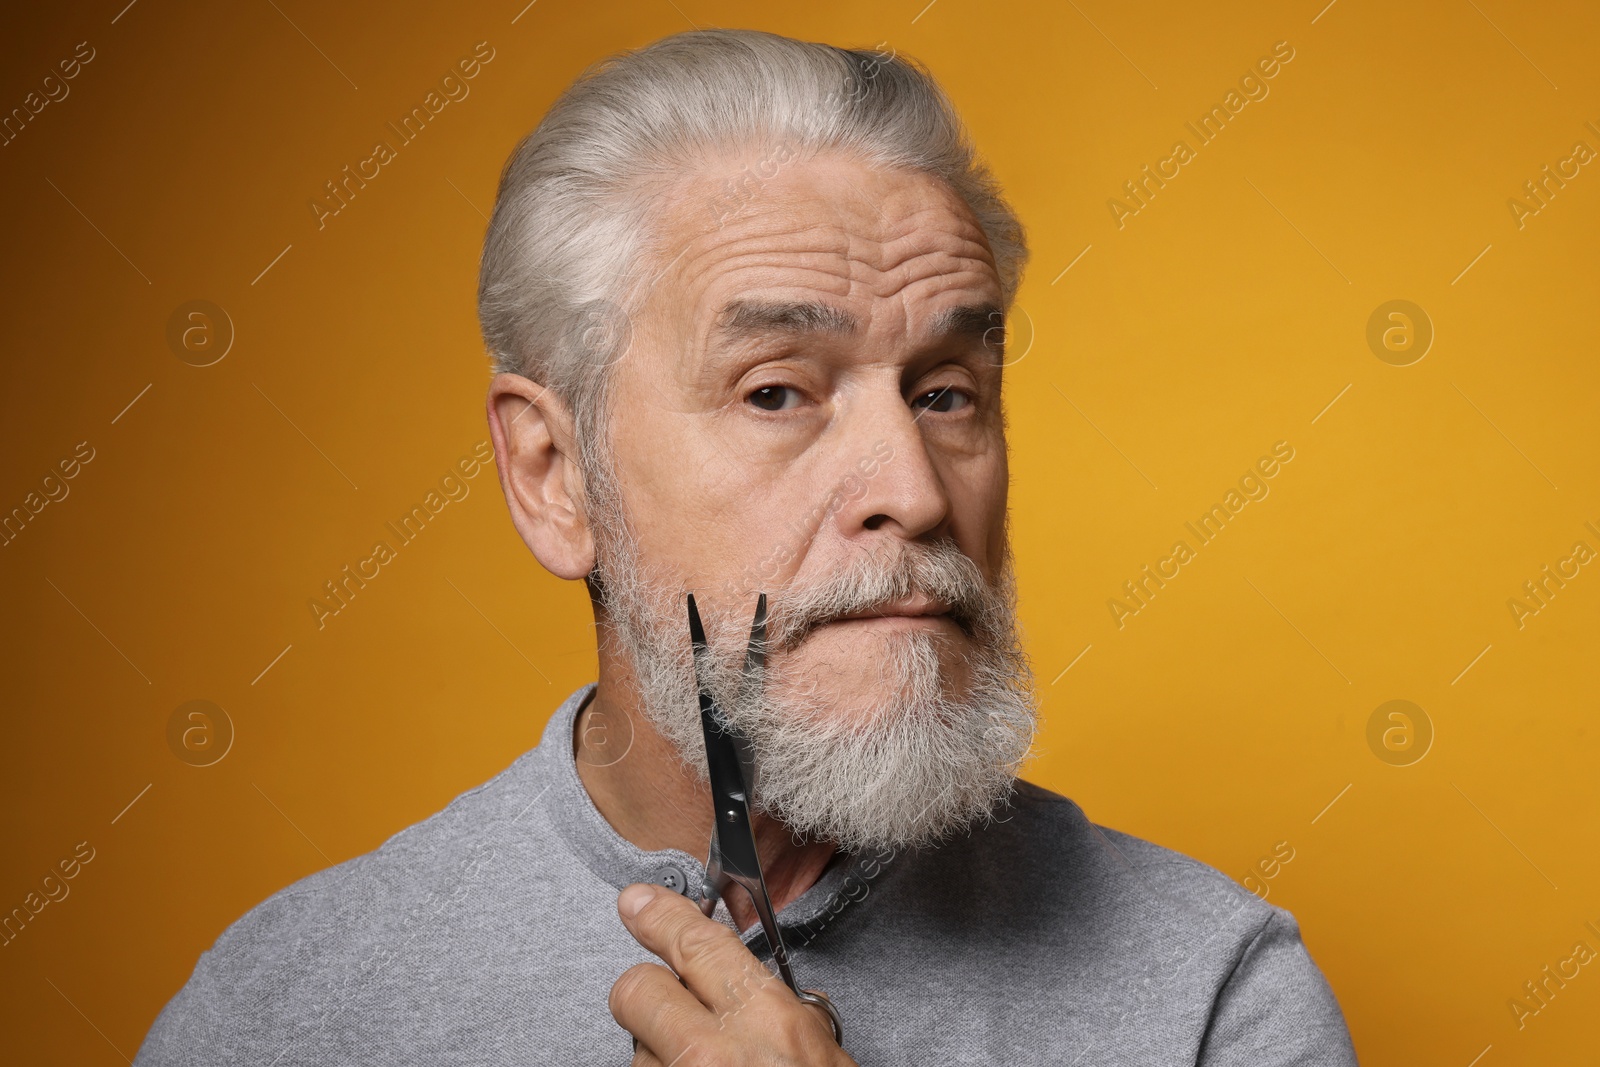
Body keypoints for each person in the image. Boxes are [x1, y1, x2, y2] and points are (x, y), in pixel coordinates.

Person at [136, 28, 1358, 1066]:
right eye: (777, 391)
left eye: (945, 390)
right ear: (557, 478)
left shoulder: (1211, 996)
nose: (915, 492)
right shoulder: (287, 1013)